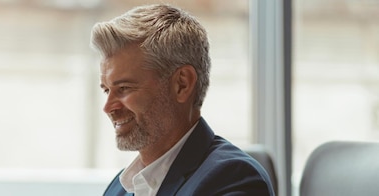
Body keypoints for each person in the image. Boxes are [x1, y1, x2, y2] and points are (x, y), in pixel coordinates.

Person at [90, 4, 275, 196]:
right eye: (106, 90)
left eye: (124, 88)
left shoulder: (233, 179)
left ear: (182, 84)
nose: (108, 107)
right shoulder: (119, 189)